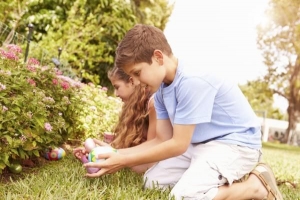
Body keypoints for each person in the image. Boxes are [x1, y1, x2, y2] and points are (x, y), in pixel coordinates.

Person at [84, 24, 283, 200]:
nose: (135, 81)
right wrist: (116, 153)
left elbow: (178, 144)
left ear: (158, 57)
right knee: (152, 182)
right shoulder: (161, 91)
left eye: (137, 72)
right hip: (201, 145)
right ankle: (213, 177)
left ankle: (256, 187)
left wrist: (123, 160)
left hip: (236, 145)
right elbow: (162, 140)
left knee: (184, 196)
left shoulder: (191, 80)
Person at [73, 66, 156, 173]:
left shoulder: (151, 104)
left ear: (131, 82)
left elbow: (151, 152)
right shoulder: (133, 108)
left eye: (117, 87)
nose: (116, 94)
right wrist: (98, 155)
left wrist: (113, 154)